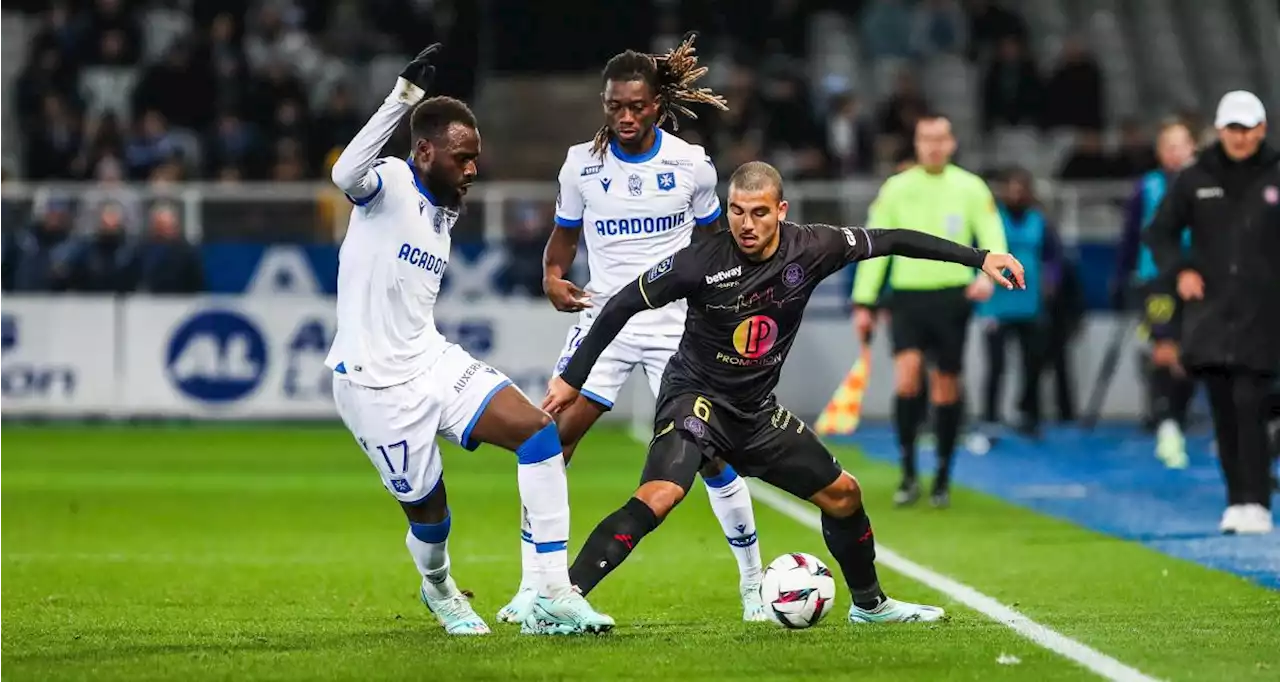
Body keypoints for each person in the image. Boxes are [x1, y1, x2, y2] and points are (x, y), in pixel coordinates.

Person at [543, 161, 1024, 623]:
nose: (745, 224)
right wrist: (573, 378)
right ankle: (563, 597)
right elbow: (620, 304)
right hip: (696, 399)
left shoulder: (814, 247)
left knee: (844, 494)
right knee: (662, 494)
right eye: (736, 211)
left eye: (758, 212)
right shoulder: (700, 261)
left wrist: (979, 258)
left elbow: (892, 240)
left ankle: (870, 606)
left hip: (755, 412)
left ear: (781, 210)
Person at [324, 44, 614, 636]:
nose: (473, 169)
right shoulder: (391, 183)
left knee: (539, 434)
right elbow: (343, 174)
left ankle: (551, 590)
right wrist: (402, 100)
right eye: (462, 157)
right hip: (373, 386)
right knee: (431, 520)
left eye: (476, 158)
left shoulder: (444, 207)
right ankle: (440, 589)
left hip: (430, 360)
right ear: (424, 150)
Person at [501, 33, 769, 625]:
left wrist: (722, 308)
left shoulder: (691, 165)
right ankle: (534, 585)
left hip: (679, 328)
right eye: (614, 106)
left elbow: (710, 247)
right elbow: (565, 235)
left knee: (713, 455)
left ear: (658, 104)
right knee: (547, 440)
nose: (625, 116)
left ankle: (753, 584)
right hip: (605, 322)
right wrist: (551, 274)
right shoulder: (581, 165)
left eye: (636, 106)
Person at [851, 114, 1008, 508]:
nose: (934, 146)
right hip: (906, 297)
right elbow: (874, 244)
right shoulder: (897, 188)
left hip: (952, 297)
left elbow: (991, 233)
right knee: (907, 380)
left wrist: (988, 276)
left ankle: (941, 474)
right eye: (926, 139)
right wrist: (864, 300)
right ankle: (907, 472)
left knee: (945, 386)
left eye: (940, 139)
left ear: (952, 143)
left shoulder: (970, 187)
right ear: (917, 143)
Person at [1144, 90, 1280, 535]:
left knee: (1251, 402)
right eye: (1233, 128)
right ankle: (1236, 499)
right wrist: (1180, 270)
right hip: (1212, 312)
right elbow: (1160, 233)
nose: (1241, 137)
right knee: (1223, 405)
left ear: (1262, 128)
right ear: (1220, 130)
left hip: (1265, 311)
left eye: (1248, 128)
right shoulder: (1193, 178)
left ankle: (1257, 499)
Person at [1113, 119, 1198, 468]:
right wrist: (1121, 278)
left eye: (1181, 145)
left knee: (1192, 356)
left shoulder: (1206, 186)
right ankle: (1167, 423)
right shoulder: (1146, 188)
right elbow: (1131, 236)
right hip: (1156, 280)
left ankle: (1175, 416)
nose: (1175, 152)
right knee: (1164, 349)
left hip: (1199, 279)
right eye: (1169, 145)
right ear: (1160, 152)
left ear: (1193, 149)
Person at [978, 167, 1063, 438]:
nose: (1016, 193)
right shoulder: (992, 220)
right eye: (1011, 187)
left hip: (1030, 303)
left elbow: (1054, 256)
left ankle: (1030, 416)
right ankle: (990, 418)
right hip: (997, 303)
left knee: (1033, 365)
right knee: (996, 366)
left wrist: (1051, 281)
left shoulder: (1040, 220)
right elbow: (976, 253)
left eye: (1021, 188)